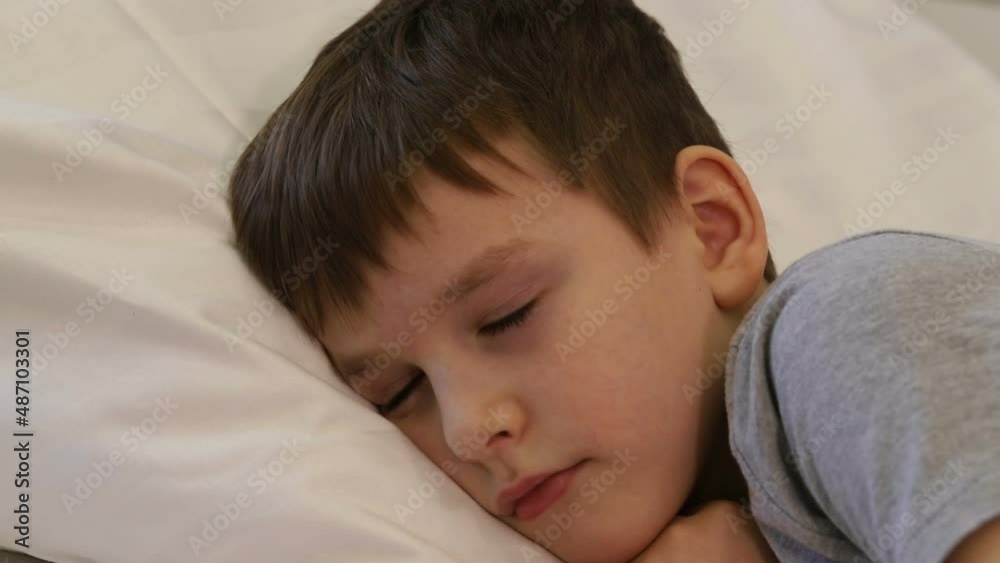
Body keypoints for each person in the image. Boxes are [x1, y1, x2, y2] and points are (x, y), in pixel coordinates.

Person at [226, 1, 1000, 561]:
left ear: (712, 229)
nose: (468, 429)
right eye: (400, 392)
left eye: (506, 315)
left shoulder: (847, 327)